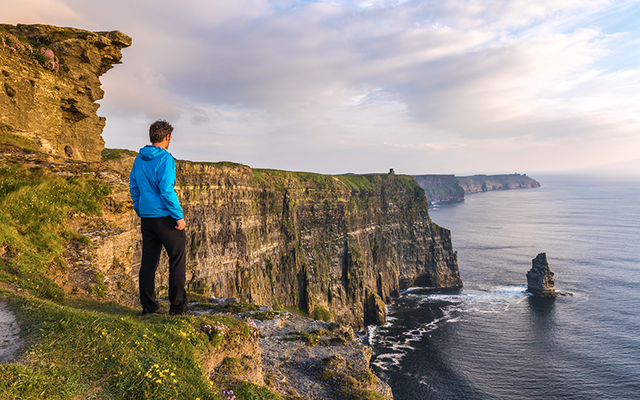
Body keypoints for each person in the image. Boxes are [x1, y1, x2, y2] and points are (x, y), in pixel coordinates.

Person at [129, 120, 188, 315]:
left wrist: (140, 208)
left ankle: (149, 307)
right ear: (167, 137)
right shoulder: (166, 159)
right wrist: (178, 216)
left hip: (147, 218)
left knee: (148, 263)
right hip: (165, 218)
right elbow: (166, 190)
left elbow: (134, 187)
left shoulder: (139, 159)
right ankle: (178, 308)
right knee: (177, 260)